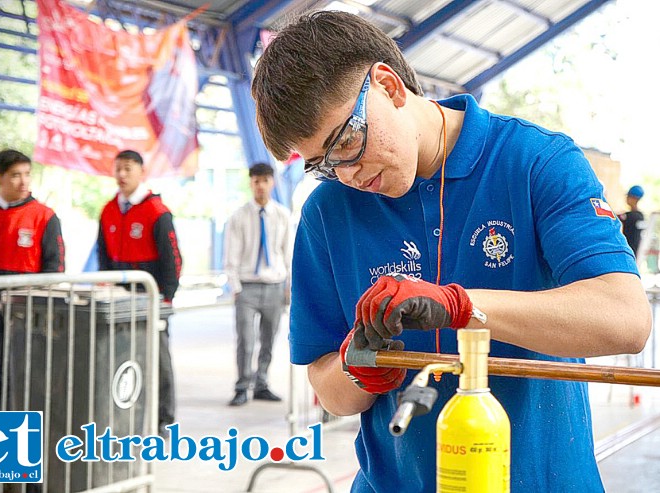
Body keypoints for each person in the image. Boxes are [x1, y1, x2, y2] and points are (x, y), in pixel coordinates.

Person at [250, 11, 652, 493]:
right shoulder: (329, 212)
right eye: (321, 164)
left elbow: (626, 320)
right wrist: (360, 367)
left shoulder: (535, 162)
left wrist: (461, 306)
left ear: (388, 86)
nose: (347, 174)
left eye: (347, 142)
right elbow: (328, 389)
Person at [0, 149, 65, 410]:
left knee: (19, 377)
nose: (24, 181)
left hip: (32, 314)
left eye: (27, 174)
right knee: (2, 376)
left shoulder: (45, 216)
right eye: (15, 175)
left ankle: (0, 443)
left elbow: (56, 268)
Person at [97, 149, 182, 434]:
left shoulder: (157, 211)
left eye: (128, 169)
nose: (122, 174)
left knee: (158, 362)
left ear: (141, 172)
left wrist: (166, 298)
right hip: (118, 302)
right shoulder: (108, 210)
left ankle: (164, 421)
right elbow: (103, 256)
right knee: (119, 359)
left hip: (150, 300)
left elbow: (173, 259)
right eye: (118, 168)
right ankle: (123, 418)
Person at [224, 162, 292, 406]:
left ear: (272, 182)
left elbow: (288, 254)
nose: (260, 185)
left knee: (269, 338)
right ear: (251, 183)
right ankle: (242, 385)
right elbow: (230, 255)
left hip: (274, 286)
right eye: (256, 181)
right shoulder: (238, 216)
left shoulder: (283, 215)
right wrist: (235, 288)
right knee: (245, 339)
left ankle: (261, 383)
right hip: (247, 287)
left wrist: (289, 287)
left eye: (264, 180)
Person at [619, 185, 645, 256]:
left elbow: (616, 217)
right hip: (636, 252)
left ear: (634, 199)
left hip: (629, 250)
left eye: (628, 196)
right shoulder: (640, 216)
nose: (626, 198)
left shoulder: (631, 216)